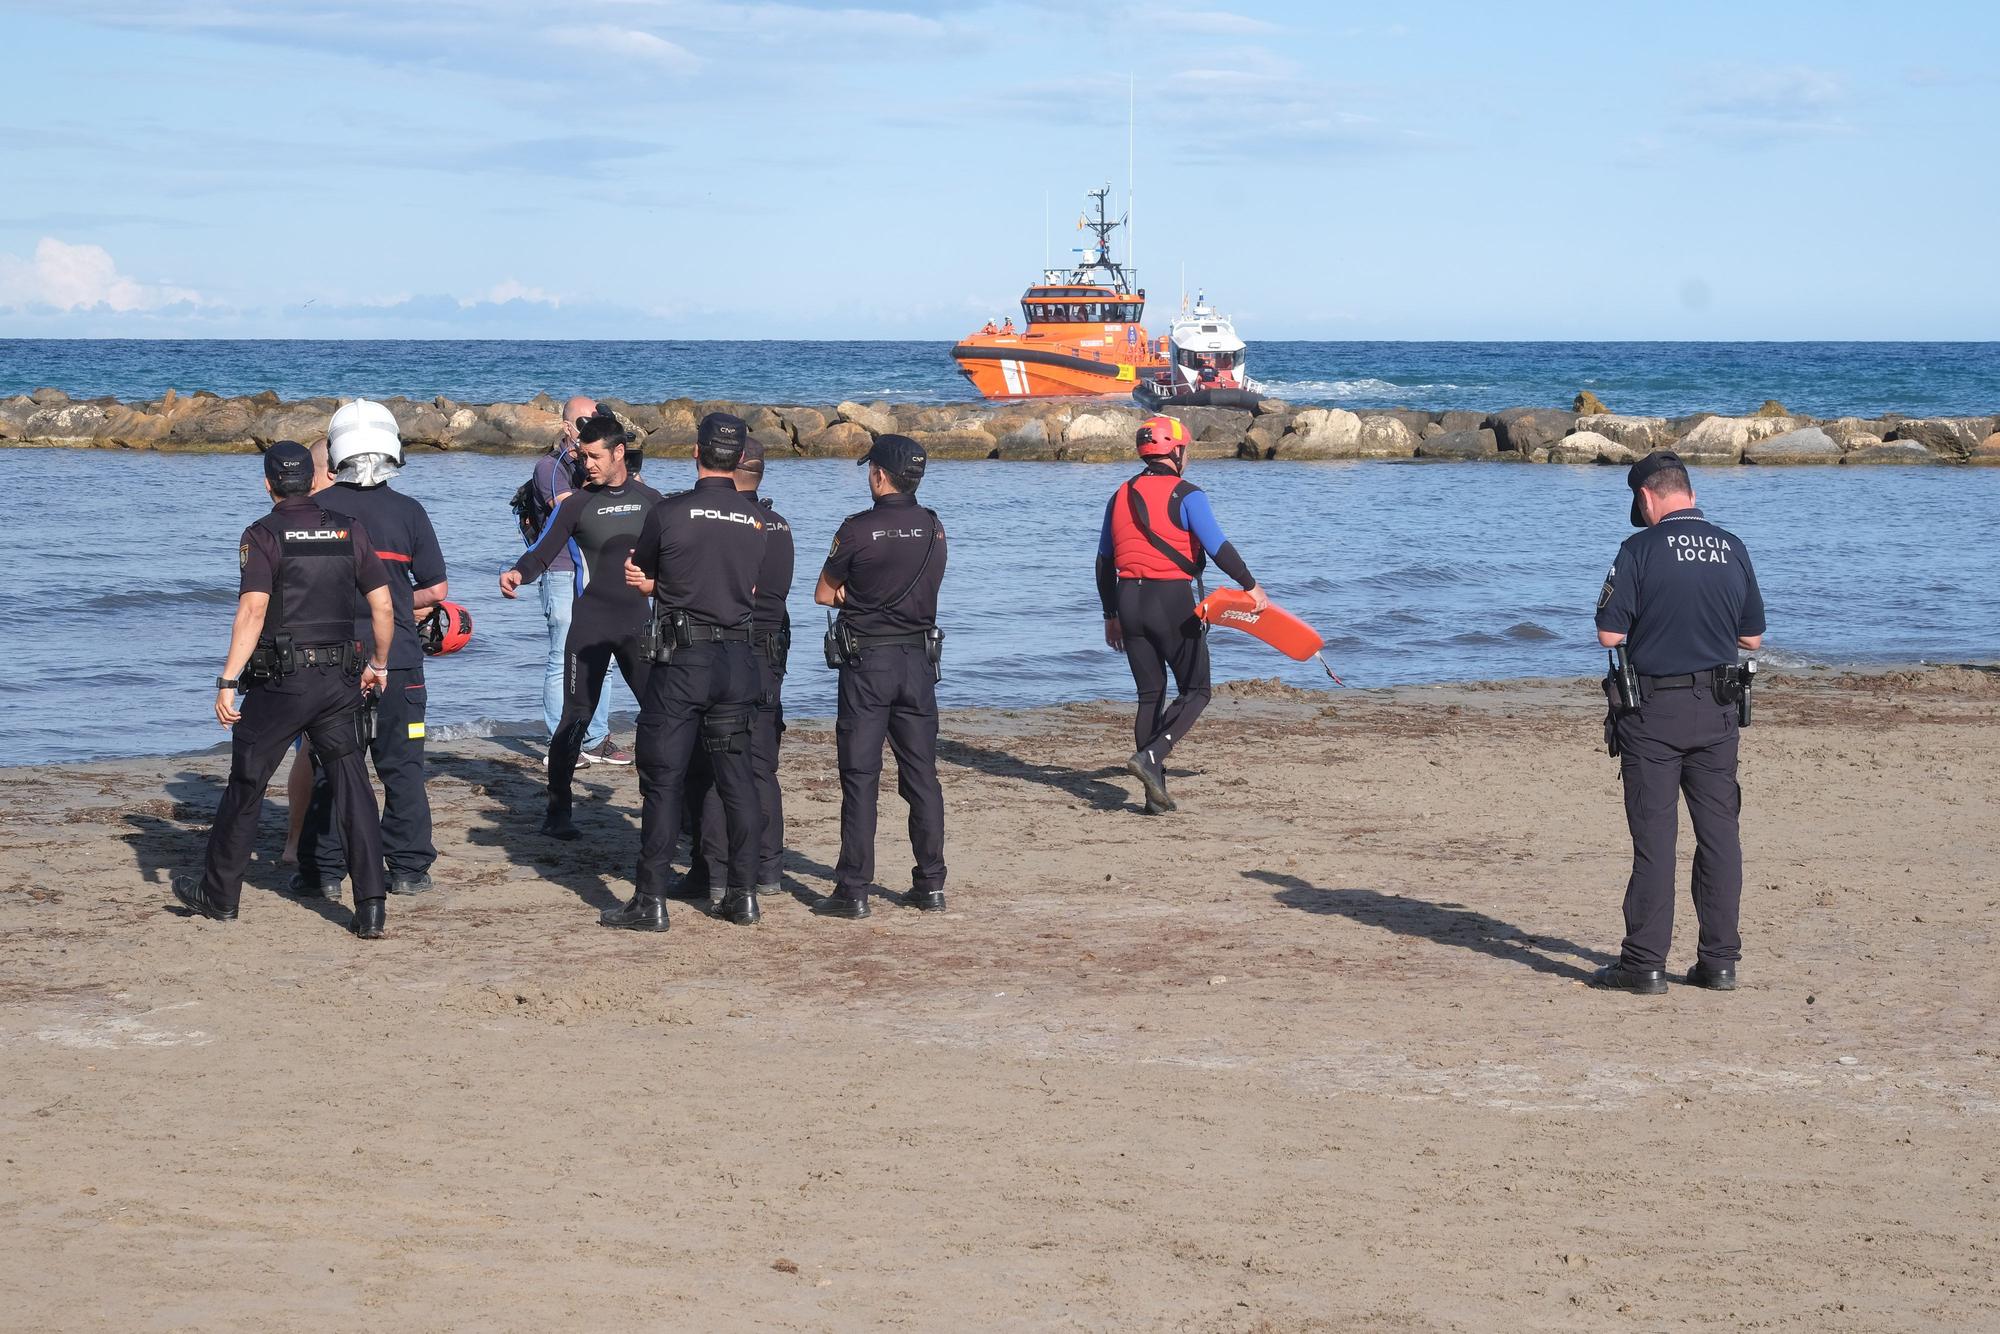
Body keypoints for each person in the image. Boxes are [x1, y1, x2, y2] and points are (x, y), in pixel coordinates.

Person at [170, 442, 395, 939]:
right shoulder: (349, 529)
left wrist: (228, 680)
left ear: (268, 483)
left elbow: (252, 612)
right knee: (353, 784)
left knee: (247, 782)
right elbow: (383, 607)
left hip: (282, 685)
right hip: (339, 681)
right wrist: (379, 664)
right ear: (316, 479)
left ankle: (220, 895)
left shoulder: (262, 534)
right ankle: (372, 906)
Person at [1592, 449, 1766, 995]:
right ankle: (1719, 963)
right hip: (1717, 710)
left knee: (1655, 840)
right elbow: (1751, 638)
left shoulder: (1639, 549)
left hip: (1654, 713)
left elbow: (1610, 634)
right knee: (1720, 837)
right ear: (1688, 491)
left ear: (1647, 496)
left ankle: (1643, 965)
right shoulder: (1732, 548)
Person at [603, 413, 768, 932]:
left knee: (663, 778)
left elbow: (649, 571)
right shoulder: (757, 520)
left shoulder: (670, 512)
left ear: (696, 451)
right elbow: (743, 586)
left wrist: (649, 583)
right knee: (736, 780)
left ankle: (650, 900)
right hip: (736, 661)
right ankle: (743, 895)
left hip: (683, 662)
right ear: (740, 458)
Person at [295, 400, 448, 898]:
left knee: (331, 766)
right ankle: (407, 868)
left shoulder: (318, 512)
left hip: (332, 661)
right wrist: (398, 598)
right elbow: (437, 588)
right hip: (399, 658)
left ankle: (323, 871)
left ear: (336, 452)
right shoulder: (409, 511)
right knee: (402, 765)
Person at [501, 407, 662, 839]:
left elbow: (680, 560)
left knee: (660, 715)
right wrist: (518, 572)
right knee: (575, 716)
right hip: (589, 626)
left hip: (638, 627)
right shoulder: (577, 504)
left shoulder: (654, 503)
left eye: (593, 456)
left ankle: (661, 802)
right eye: (582, 456)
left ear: (619, 453)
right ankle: (558, 811)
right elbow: (541, 551)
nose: (585, 464)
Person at [1095, 414, 1267, 814]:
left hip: (1128, 601)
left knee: (1149, 696)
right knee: (1197, 690)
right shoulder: (1188, 494)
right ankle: (1152, 757)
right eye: (1184, 450)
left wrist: (1110, 615)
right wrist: (1251, 586)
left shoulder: (1119, 494)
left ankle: (1153, 798)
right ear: (1175, 451)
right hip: (1171, 600)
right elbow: (1217, 546)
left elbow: (1104, 562)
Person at [814, 434, 948, 919]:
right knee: (922, 776)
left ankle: (853, 890)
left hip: (868, 664)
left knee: (860, 777)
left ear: (879, 475)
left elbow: (824, 594)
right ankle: (931, 883)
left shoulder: (857, 529)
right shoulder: (935, 527)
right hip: (917, 664)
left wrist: (860, 597)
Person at [675, 434, 794, 903]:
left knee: (712, 763)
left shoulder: (727, 521)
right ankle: (768, 868)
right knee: (761, 764)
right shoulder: (779, 523)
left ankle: (713, 871)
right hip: (771, 652)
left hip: (731, 650)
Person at [517, 396, 619, 765]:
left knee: (603, 658)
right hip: (560, 568)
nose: (589, 428)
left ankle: (595, 738)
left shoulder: (600, 462)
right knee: (562, 656)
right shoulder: (550, 466)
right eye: (582, 423)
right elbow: (573, 510)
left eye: (596, 422)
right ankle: (561, 742)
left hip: (598, 568)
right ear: (566, 428)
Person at [280, 436, 337, 865]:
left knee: (315, 749)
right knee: (312, 749)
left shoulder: (302, 521)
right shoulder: (326, 520)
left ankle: (299, 842)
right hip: (314, 652)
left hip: (314, 651)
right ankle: (297, 842)